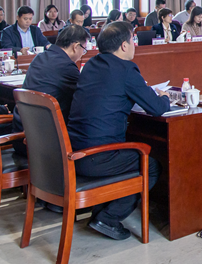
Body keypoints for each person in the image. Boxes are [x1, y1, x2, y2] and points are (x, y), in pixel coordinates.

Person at [67, 21, 167, 240]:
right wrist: (165, 97)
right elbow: (157, 108)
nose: (134, 44)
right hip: (97, 157)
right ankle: (108, 218)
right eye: (133, 40)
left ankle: (100, 212)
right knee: (151, 165)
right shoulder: (126, 69)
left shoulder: (91, 64)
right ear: (123, 45)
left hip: (73, 151)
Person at [12, 24, 91, 133]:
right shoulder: (67, 66)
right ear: (76, 46)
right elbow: (83, 98)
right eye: (84, 49)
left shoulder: (39, 57)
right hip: (46, 136)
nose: (82, 54)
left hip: (23, 129)